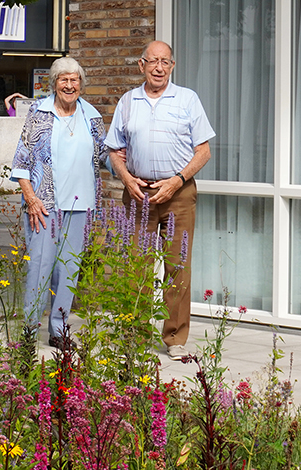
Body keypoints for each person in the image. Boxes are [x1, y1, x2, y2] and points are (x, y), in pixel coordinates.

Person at [105, 40, 214, 361]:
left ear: (172, 66)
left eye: (164, 62)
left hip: (178, 194)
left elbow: (203, 151)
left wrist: (178, 180)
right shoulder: (128, 101)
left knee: (177, 266)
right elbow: (114, 149)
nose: (158, 67)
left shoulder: (187, 100)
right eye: (152, 61)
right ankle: (134, 336)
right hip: (139, 193)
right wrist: (125, 178)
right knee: (134, 266)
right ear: (141, 65)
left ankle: (175, 338)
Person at [10, 57, 106, 350]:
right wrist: (30, 198)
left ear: (81, 83)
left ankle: (59, 331)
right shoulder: (39, 113)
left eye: (74, 79)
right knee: (40, 267)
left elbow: (106, 156)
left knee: (69, 269)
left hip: (81, 203)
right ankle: (28, 332)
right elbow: (21, 160)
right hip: (45, 204)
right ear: (53, 83)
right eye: (63, 79)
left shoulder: (91, 116)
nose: (69, 85)